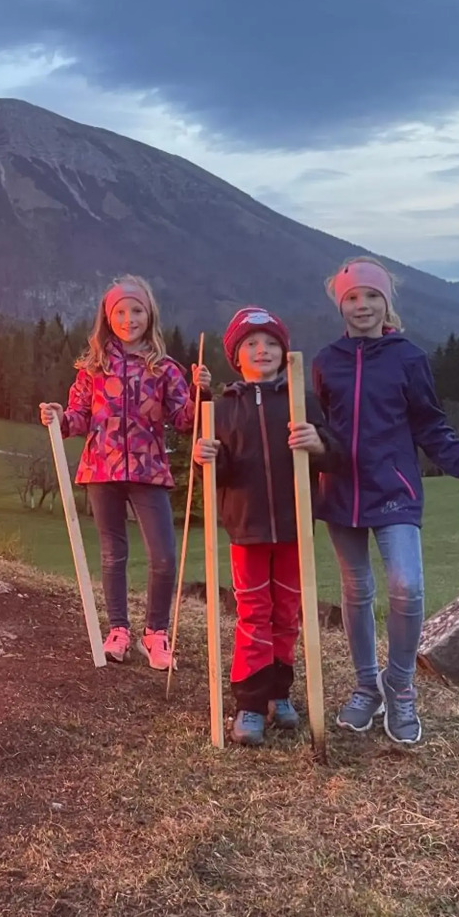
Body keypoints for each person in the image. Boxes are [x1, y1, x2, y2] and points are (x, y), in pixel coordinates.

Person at [312, 257, 459, 745]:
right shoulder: (325, 362)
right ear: (341, 304)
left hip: (395, 490)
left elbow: (430, 426)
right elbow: (322, 430)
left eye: (371, 296)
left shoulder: (408, 358)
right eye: (352, 297)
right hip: (340, 493)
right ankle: (365, 686)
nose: (362, 305)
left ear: (386, 303)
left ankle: (398, 686)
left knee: (407, 586)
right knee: (355, 592)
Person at [39, 275, 210, 669]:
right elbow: (79, 417)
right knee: (114, 554)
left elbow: (185, 420)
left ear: (149, 315)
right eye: (120, 311)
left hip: (149, 470)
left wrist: (202, 394)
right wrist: (58, 419)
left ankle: (156, 634)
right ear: (107, 316)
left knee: (164, 556)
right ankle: (118, 630)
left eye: (137, 310)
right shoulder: (93, 367)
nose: (129, 318)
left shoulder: (164, 369)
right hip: (102, 468)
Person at [193, 307, 340, 745]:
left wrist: (319, 444)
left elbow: (333, 452)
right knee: (254, 614)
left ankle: (280, 694)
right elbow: (222, 475)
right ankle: (250, 704)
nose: (263, 351)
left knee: (287, 614)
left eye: (272, 343)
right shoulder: (222, 408)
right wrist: (209, 459)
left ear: (284, 351)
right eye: (252, 344)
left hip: (296, 527)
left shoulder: (301, 400)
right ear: (237, 356)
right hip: (248, 529)